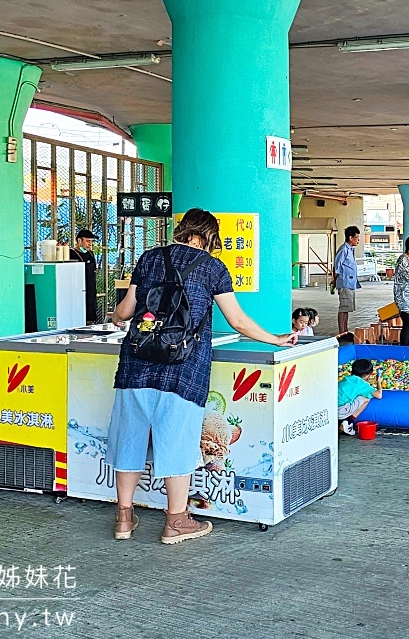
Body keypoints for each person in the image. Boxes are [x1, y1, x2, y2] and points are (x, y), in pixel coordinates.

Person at [108, 208, 296, 545]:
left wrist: (114, 314)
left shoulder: (150, 258)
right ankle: (176, 522)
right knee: (175, 441)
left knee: (130, 438)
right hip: (183, 369)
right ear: (211, 237)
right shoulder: (213, 268)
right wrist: (276, 338)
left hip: (136, 364)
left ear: (182, 230)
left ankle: (123, 518)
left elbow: (125, 311)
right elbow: (238, 321)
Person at [338, 358, 382, 436]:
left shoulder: (346, 378)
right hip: (340, 411)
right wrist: (379, 382)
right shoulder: (363, 385)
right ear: (369, 375)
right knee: (366, 399)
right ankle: (348, 422)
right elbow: (379, 395)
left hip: (330, 408)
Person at [334, 226, 362, 334]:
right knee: (343, 308)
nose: (358, 240)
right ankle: (341, 331)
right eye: (357, 238)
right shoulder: (343, 249)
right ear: (350, 238)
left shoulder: (350, 250)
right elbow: (337, 266)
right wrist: (335, 280)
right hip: (345, 282)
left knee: (347, 309)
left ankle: (345, 330)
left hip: (350, 283)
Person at [70, 228, 99, 324]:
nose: (90, 244)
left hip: (90, 289)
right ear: (79, 240)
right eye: (87, 241)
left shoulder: (90, 254)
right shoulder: (72, 254)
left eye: (91, 241)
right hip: (78, 291)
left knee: (90, 316)